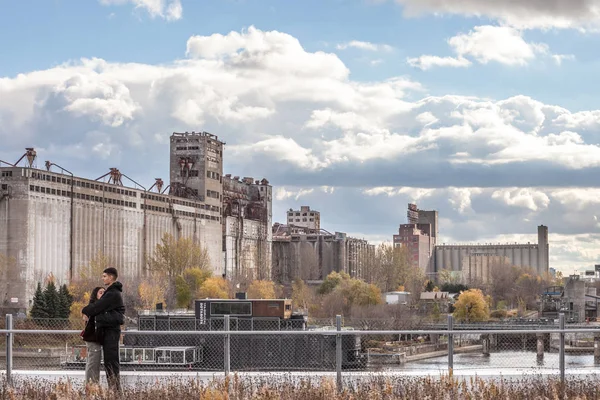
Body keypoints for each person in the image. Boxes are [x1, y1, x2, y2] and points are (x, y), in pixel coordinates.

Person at [82, 267, 125, 392]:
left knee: (111, 363)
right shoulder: (111, 292)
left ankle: (116, 392)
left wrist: (85, 311)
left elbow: (97, 307)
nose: (103, 278)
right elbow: (101, 309)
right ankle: (114, 391)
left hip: (111, 334)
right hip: (108, 333)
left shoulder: (112, 293)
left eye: (104, 276)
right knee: (109, 363)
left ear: (111, 277)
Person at [82, 286, 105, 384]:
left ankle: (93, 385)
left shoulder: (103, 306)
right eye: (100, 292)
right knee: (93, 363)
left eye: (104, 292)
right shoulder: (93, 306)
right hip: (92, 339)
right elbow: (86, 310)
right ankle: (91, 386)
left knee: (95, 363)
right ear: (95, 295)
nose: (103, 294)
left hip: (99, 339)